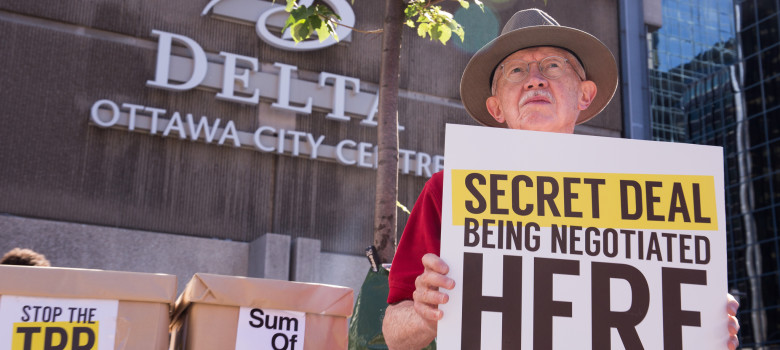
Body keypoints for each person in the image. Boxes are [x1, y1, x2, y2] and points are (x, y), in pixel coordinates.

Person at [382, 8, 741, 350]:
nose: (535, 79)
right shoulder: (449, 190)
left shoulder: (644, 196)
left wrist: (700, 321)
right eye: (516, 71)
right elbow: (395, 334)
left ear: (584, 94)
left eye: (553, 66)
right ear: (496, 108)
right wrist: (424, 313)